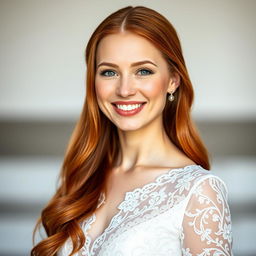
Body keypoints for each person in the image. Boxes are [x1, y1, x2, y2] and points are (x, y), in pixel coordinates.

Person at [31, 6, 233, 256]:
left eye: (143, 71)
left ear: (173, 80)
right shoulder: (83, 178)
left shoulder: (199, 191)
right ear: (93, 82)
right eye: (109, 72)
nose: (125, 89)